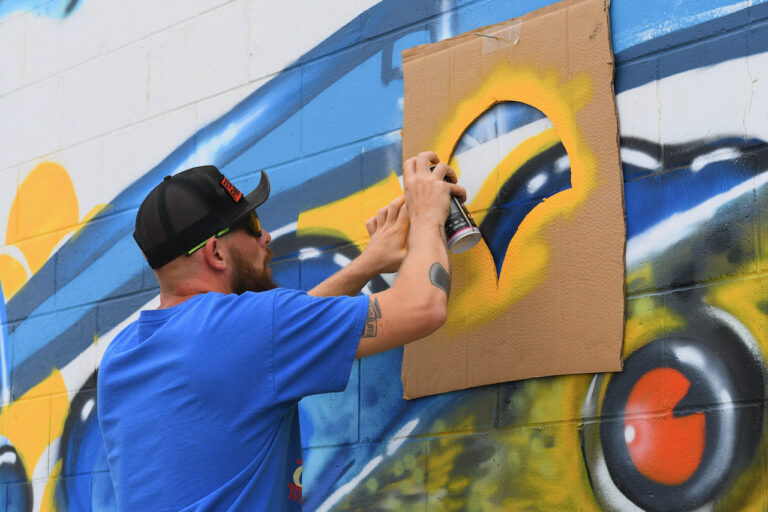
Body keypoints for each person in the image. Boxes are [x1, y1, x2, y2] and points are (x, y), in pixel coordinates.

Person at [97, 151, 465, 511]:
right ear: (216, 253)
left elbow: (273, 342)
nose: (267, 236)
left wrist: (366, 264)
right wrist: (427, 215)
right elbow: (423, 306)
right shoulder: (252, 328)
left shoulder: (120, 358)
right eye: (252, 225)